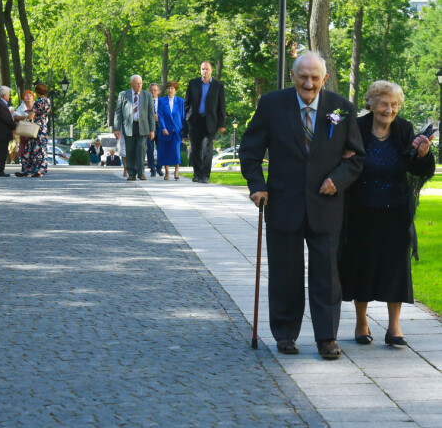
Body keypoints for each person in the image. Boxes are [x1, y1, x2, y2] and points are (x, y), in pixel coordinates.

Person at [239, 51, 365, 359]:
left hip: (326, 204)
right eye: (303, 76)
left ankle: (326, 338)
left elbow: (357, 156)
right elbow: (250, 152)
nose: (308, 83)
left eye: (314, 77)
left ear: (324, 78)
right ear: (293, 76)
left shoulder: (341, 108)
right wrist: (257, 187)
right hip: (283, 203)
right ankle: (285, 334)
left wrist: (338, 178)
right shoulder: (271, 104)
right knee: (285, 274)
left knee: (326, 275)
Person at [339, 81, 435, 347]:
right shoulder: (356, 127)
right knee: (362, 265)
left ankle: (394, 327)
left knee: (396, 269)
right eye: (383, 103)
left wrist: (424, 154)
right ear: (371, 103)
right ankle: (362, 322)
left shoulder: (404, 129)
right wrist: (342, 156)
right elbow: (339, 155)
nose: (389, 109)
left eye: (394, 105)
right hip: (361, 210)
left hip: (396, 212)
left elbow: (419, 169)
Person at [183, 61, 227, 183]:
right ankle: (197, 174)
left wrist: (222, 123)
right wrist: (187, 117)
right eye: (203, 69)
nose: (205, 71)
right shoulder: (193, 83)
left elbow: (222, 106)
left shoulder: (218, 85)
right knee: (195, 149)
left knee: (207, 148)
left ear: (211, 70)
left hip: (210, 121)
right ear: (200, 70)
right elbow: (187, 103)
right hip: (195, 120)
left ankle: (205, 175)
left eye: (207, 69)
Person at [113, 75, 155, 181]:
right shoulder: (123, 95)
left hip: (143, 127)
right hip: (129, 126)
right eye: (137, 83)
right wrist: (116, 128)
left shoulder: (147, 95)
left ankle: (141, 173)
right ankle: (131, 173)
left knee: (141, 149)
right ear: (131, 84)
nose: (139, 85)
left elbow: (151, 113)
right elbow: (118, 112)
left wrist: (152, 129)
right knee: (130, 150)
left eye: (141, 83)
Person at [17, 83, 51, 177]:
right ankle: (41, 169)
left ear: (36, 91)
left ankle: (29, 169)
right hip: (43, 126)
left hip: (35, 127)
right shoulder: (47, 101)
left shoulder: (38, 102)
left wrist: (27, 116)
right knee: (42, 148)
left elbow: (32, 115)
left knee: (32, 148)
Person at [157, 80, 185, 181]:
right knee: (165, 151)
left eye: (172, 88)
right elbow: (160, 116)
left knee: (176, 150)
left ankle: (177, 170)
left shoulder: (181, 102)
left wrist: (184, 131)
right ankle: (167, 171)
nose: (170, 90)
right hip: (165, 130)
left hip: (177, 130)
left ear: (175, 90)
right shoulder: (161, 101)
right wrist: (163, 128)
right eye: (168, 88)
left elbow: (183, 116)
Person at [0, 86, 16, 177]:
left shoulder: (0, 103)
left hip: (2, 132)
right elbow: (6, 118)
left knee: (2, 152)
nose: (9, 96)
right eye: (9, 94)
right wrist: (14, 126)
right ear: (4, 95)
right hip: (2, 133)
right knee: (1, 152)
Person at [147, 83, 163, 177]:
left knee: (161, 148)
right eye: (152, 90)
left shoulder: (162, 101)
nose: (153, 92)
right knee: (150, 149)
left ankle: (159, 168)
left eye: (155, 90)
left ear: (159, 91)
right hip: (149, 128)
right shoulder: (146, 101)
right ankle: (152, 169)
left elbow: (166, 113)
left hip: (160, 127)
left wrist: (159, 117)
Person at [14, 90, 35, 160]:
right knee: (24, 149)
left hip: (35, 131)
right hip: (25, 132)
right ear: (23, 98)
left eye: (30, 95)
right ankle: (25, 166)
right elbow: (15, 117)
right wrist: (26, 117)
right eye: (26, 95)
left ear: (33, 97)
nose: (28, 97)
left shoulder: (36, 105)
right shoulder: (21, 107)